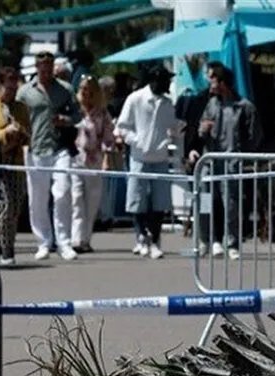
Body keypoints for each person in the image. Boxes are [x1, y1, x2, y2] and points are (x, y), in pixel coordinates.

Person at [188, 61, 263, 261]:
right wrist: (202, 131)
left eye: (212, 78)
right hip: (210, 161)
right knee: (204, 201)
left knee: (231, 204)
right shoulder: (211, 104)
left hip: (231, 162)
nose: (210, 83)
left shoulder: (244, 106)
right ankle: (208, 240)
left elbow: (255, 135)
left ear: (222, 82)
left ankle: (232, 243)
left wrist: (243, 154)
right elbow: (199, 129)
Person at [17, 51, 82, 261]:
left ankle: (64, 242)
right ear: (36, 67)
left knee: (63, 192)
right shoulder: (25, 92)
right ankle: (43, 242)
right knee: (38, 198)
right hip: (36, 148)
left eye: (49, 65)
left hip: (60, 147)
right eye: (41, 65)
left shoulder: (65, 89)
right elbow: (16, 116)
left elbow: (77, 114)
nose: (45, 69)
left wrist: (66, 119)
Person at [116, 65, 180, 259]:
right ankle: (141, 236)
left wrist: (174, 135)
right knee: (137, 200)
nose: (168, 83)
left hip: (160, 158)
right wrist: (138, 142)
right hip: (139, 158)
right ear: (155, 80)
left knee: (160, 201)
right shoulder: (135, 99)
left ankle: (155, 239)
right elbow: (123, 127)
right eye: (166, 80)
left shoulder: (168, 103)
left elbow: (172, 126)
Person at [0, 67, 31, 267]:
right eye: (7, 86)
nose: (11, 90)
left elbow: (29, 136)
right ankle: (6, 249)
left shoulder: (21, 108)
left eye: (14, 86)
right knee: (5, 205)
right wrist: (4, 133)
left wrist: (20, 133)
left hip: (15, 162)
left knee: (15, 207)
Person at [70, 76, 115, 254]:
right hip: (75, 159)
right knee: (76, 199)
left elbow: (108, 138)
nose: (86, 92)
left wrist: (106, 159)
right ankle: (76, 238)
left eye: (90, 89)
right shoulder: (75, 111)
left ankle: (86, 239)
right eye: (83, 89)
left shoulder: (102, 113)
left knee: (92, 201)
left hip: (94, 160)